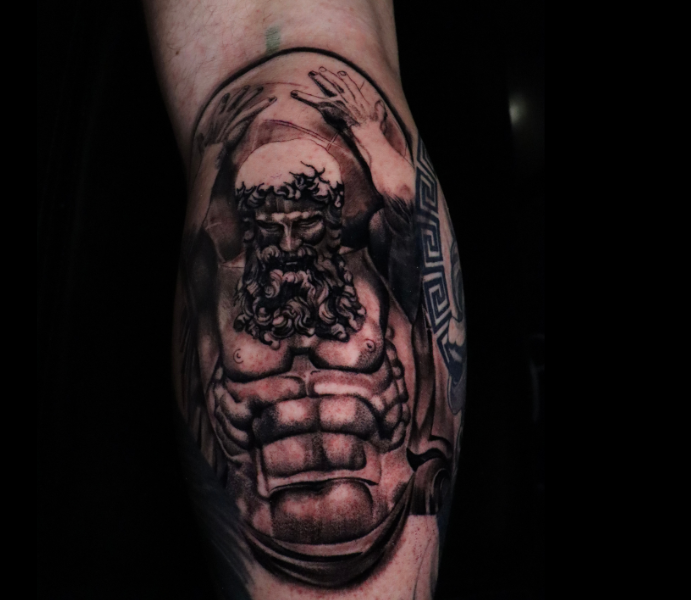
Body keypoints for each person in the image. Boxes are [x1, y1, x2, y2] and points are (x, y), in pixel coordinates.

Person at [143, 2, 466, 598]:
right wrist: (216, 155)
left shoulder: (373, 273)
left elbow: (407, 217)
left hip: (384, 526)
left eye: (306, 222)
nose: (289, 243)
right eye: (270, 227)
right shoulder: (226, 287)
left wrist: (369, 139)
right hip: (266, 541)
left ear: (332, 218)